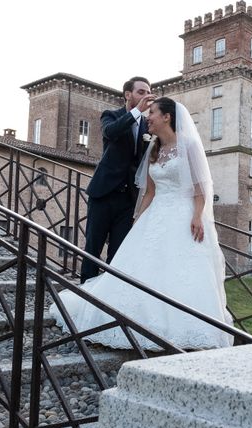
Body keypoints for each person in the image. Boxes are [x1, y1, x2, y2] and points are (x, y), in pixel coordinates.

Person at [50, 97, 233, 351]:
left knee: (181, 269)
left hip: (183, 214)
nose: (149, 118)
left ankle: (189, 327)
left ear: (167, 117)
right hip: (156, 214)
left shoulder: (189, 145)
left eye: (153, 113)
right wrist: (137, 221)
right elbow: (149, 192)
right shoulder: (153, 148)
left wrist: (197, 215)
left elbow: (201, 187)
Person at [80, 76, 157, 283]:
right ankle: (84, 296)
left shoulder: (147, 126)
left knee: (118, 254)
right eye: (141, 92)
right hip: (103, 194)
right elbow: (110, 133)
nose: (146, 96)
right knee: (92, 249)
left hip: (128, 200)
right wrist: (135, 113)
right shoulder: (111, 116)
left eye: (148, 92)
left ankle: (108, 301)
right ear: (128, 95)